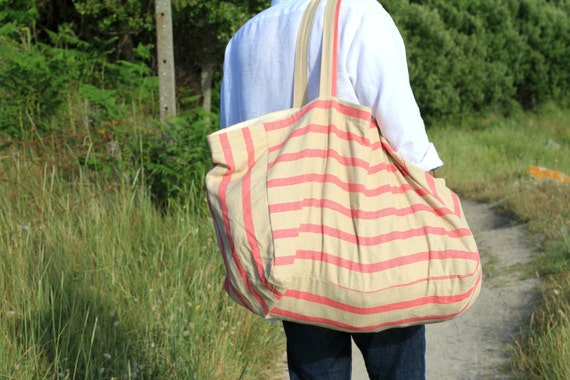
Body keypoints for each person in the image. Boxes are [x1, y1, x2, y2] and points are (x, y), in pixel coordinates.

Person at [219, 0, 443, 379]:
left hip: (289, 251)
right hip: (372, 238)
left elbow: (236, 148)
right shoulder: (358, 14)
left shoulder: (243, 40)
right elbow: (408, 142)